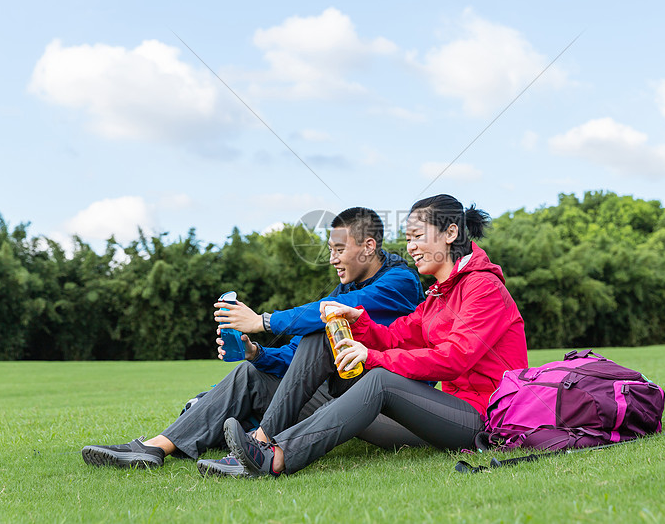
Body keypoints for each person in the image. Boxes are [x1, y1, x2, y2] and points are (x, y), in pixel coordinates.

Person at [81, 207, 425, 469]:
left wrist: (263, 320)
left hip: (386, 412)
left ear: (368, 246)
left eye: (339, 249)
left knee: (318, 326)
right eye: (330, 249)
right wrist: (257, 352)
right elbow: (296, 356)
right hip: (338, 400)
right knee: (250, 374)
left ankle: (252, 441)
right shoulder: (349, 285)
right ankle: (156, 448)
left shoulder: (400, 282)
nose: (332, 259)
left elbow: (331, 310)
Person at [214, 194, 528, 477]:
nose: (410, 247)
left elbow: (454, 358)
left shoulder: (483, 289)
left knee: (380, 380)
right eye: (407, 239)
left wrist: (373, 357)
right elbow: (398, 335)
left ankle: (277, 457)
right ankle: (262, 440)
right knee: (324, 334)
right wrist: (359, 322)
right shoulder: (436, 297)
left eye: (417, 237)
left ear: (450, 234)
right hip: (442, 415)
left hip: (483, 419)